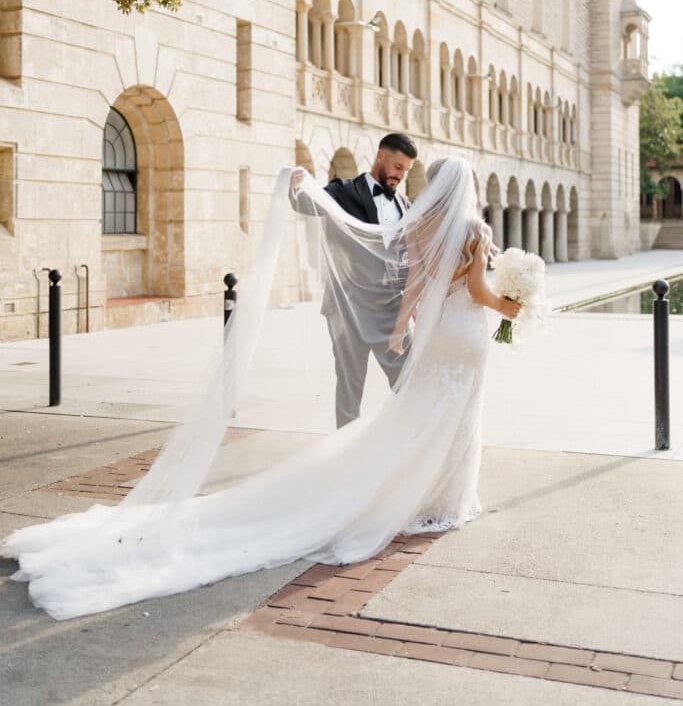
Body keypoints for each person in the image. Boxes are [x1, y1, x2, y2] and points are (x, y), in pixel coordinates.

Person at [1, 157, 521, 620]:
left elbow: (408, 282)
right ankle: (445, 500)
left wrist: (400, 326)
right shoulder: (470, 227)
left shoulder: (420, 224)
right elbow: (477, 289)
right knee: (453, 416)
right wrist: (510, 305)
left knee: (419, 415)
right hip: (464, 336)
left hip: (435, 339)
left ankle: (427, 493)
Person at [290, 132, 418, 427]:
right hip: (349, 310)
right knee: (350, 390)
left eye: (407, 170)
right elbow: (305, 204)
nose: (401, 175)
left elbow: (406, 259)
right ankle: (344, 459)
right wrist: (297, 185)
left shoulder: (405, 205)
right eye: (398, 167)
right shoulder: (344, 191)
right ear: (380, 156)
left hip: (390, 312)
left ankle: (406, 449)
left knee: (409, 382)